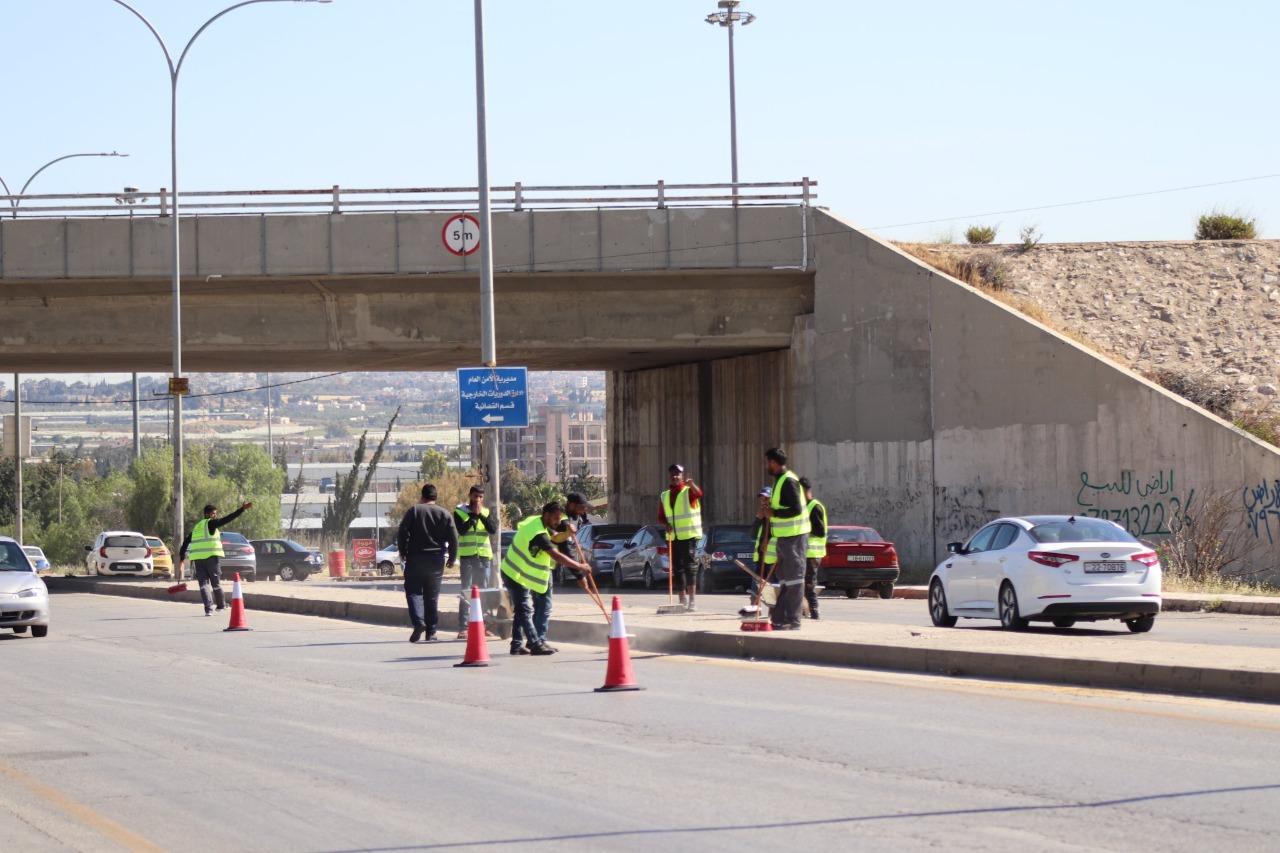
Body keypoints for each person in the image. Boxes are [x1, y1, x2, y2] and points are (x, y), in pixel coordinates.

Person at [501, 501, 592, 656]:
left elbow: (556, 537)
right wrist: (579, 567)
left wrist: (568, 534)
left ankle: (516, 644)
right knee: (524, 609)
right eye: (556, 519)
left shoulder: (540, 523)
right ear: (547, 515)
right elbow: (556, 555)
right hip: (513, 572)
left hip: (522, 573)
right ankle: (536, 644)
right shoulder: (538, 533)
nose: (558, 522)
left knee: (522, 610)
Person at [532, 492, 599, 648]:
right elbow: (565, 551)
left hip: (540, 566)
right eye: (582, 508)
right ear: (572, 505)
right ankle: (538, 640)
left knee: (536, 607)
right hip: (540, 568)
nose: (584, 512)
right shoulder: (563, 521)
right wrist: (580, 575)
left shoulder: (570, 520)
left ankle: (533, 639)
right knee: (543, 607)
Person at [396, 483, 458, 643]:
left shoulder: (415, 510)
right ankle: (431, 631)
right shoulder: (444, 513)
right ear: (435, 497)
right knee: (432, 596)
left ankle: (418, 622)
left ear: (422, 496)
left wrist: (402, 552)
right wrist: (451, 558)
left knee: (414, 592)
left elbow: (402, 531)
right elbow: (453, 538)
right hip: (436, 560)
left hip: (415, 559)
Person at [762, 448, 810, 630]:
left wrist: (773, 512)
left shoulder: (788, 481)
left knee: (794, 581)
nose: (767, 466)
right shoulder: (780, 481)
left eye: (767, 462)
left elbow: (796, 509)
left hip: (794, 538)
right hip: (785, 539)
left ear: (773, 462)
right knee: (784, 580)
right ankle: (780, 619)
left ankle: (793, 621)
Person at [178, 501, 253, 617]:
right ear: (207, 514)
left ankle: (208, 609)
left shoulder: (197, 527)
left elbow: (186, 542)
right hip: (211, 558)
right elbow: (227, 519)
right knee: (216, 584)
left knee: (203, 584)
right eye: (213, 514)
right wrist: (241, 509)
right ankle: (221, 605)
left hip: (198, 559)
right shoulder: (210, 524)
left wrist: (182, 556)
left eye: (215, 514)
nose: (215, 516)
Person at [658, 463, 704, 611]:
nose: (675, 476)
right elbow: (661, 517)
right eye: (672, 474)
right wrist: (665, 524)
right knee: (677, 569)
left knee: (690, 567)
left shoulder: (688, 491)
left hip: (688, 536)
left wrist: (692, 485)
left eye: (677, 474)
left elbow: (699, 494)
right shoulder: (665, 495)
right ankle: (682, 600)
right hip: (672, 537)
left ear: (682, 476)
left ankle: (692, 601)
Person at [454, 485, 497, 638]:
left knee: (483, 592)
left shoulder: (486, 512)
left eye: (480, 497)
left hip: (484, 557)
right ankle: (463, 627)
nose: (477, 499)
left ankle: (483, 626)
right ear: (470, 496)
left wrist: (481, 516)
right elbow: (462, 530)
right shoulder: (460, 512)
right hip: (468, 558)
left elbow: (492, 529)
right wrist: (473, 516)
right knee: (466, 591)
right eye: (475, 496)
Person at [800, 476, 827, 621]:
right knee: (803, 585)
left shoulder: (814, 507)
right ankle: (805, 611)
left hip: (812, 553)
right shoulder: (806, 506)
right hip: (806, 553)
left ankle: (815, 613)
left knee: (809, 585)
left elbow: (820, 530)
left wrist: (802, 530)